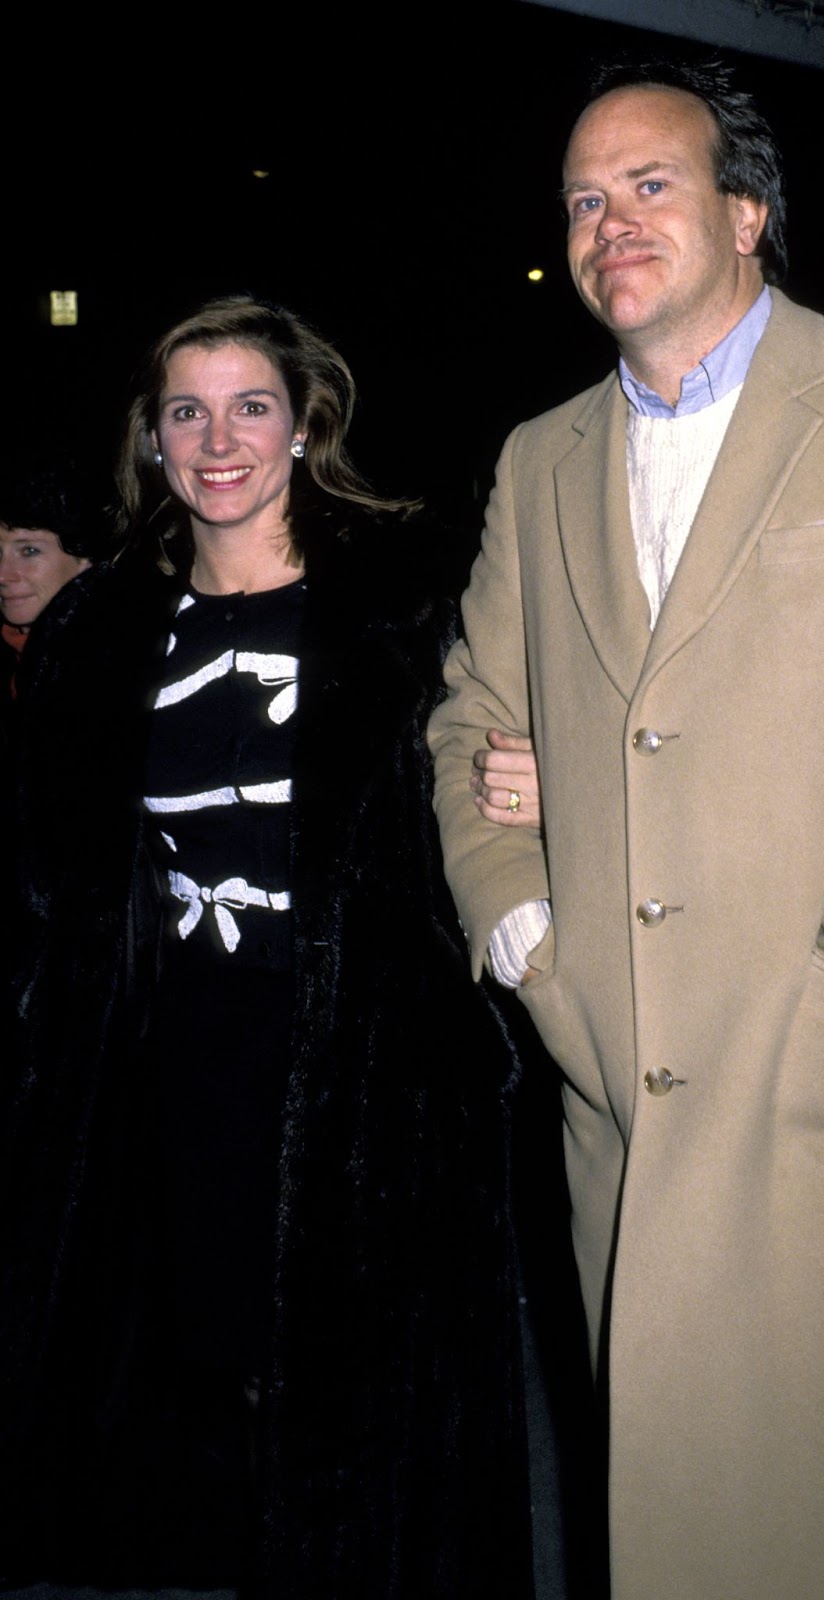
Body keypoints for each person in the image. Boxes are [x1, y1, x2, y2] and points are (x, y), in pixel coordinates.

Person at [428, 59, 824, 1600]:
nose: (608, 223)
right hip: (619, 1095)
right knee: (657, 1533)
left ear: (745, 211)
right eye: (582, 199)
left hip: (821, 1094)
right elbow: (467, 723)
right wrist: (522, 923)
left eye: (648, 184)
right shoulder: (539, 461)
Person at [0, 297, 533, 1598]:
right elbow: (44, 877)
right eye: (187, 410)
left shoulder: (409, 613)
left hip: (367, 1077)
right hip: (162, 1058)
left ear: (304, 428)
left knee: (360, 1413)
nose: (218, 437)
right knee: (190, 1378)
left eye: (250, 406)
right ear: (152, 440)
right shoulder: (100, 628)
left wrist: (534, 776)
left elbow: (505, 755)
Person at [0, 460, 92, 702]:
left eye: (29, 551)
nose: (2, 574)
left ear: (82, 556)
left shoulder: (95, 669)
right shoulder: (21, 656)